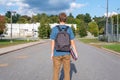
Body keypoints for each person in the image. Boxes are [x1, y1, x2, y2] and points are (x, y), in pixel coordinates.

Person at [50, 12, 78, 80]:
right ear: (66, 19)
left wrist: (52, 53)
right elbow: (72, 42)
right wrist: (75, 52)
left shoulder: (54, 29)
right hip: (67, 53)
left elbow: (53, 42)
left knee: (56, 72)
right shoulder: (69, 29)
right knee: (67, 72)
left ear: (58, 19)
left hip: (56, 53)